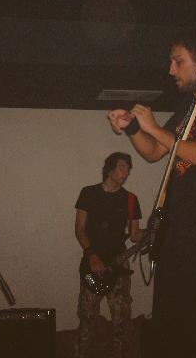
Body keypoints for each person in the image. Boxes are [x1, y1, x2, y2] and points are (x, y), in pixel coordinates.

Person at [108, 30, 196, 358]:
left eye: (178, 61)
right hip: (177, 227)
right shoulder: (189, 106)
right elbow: (154, 152)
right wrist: (132, 128)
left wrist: (155, 128)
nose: (171, 70)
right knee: (171, 321)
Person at [74, 152, 144, 358]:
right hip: (92, 264)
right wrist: (92, 255)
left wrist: (153, 231)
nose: (126, 172)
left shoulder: (131, 199)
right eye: (122, 167)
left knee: (121, 319)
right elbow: (79, 229)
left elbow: (135, 235)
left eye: (128, 169)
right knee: (87, 317)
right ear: (110, 169)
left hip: (119, 266)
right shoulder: (88, 193)